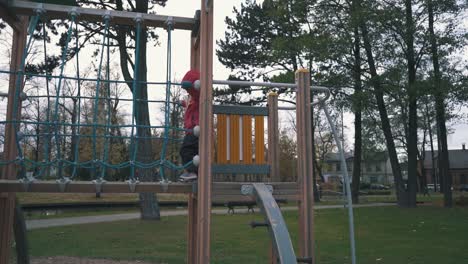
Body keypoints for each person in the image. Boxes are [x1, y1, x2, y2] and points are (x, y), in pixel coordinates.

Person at [179, 70, 200, 181]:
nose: (187, 91)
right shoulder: (193, 98)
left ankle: (192, 171)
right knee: (192, 152)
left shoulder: (199, 97)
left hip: (195, 130)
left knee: (186, 150)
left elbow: (197, 95)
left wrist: (195, 84)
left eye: (188, 89)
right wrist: (183, 103)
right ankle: (193, 173)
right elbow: (189, 103)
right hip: (191, 130)